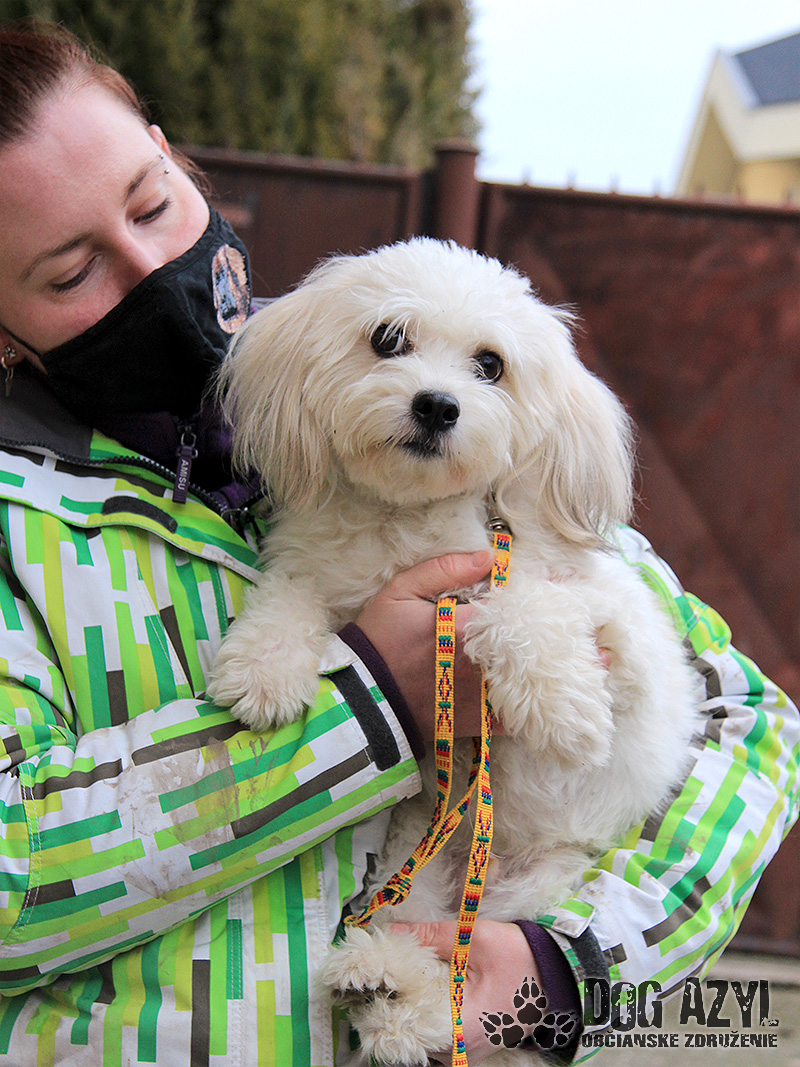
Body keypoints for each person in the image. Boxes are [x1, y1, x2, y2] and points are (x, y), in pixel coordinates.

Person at [0, 19, 796, 1067]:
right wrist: (365, 706)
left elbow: (747, 724)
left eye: (153, 202)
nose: (152, 267)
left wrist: (570, 967)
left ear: (171, 152)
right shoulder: (23, 525)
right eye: (71, 273)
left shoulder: (454, 422)